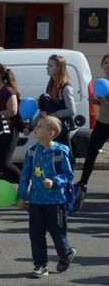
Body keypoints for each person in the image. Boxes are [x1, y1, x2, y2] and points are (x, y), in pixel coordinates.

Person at [17, 116, 76, 279]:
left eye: (40, 126)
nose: (36, 128)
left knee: (58, 233)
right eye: (36, 126)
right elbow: (25, 175)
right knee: (35, 234)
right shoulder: (31, 151)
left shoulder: (60, 151)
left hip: (56, 202)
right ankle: (40, 265)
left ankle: (66, 253)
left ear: (51, 133)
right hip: (36, 202)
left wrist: (55, 181)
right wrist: (21, 196)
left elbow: (68, 174)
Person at [74, 53, 109, 209]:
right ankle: (83, 184)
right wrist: (96, 101)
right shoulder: (101, 82)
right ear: (102, 65)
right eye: (105, 62)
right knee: (91, 153)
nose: (107, 65)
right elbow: (102, 103)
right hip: (102, 123)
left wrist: (105, 102)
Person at [27, 54, 76, 154]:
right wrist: (31, 127)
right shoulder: (50, 86)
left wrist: (53, 115)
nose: (47, 68)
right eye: (47, 65)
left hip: (60, 130)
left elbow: (71, 111)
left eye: (50, 65)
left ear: (58, 68)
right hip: (49, 129)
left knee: (63, 158)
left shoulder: (66, 88)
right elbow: (44, 111)